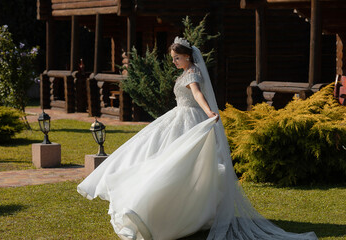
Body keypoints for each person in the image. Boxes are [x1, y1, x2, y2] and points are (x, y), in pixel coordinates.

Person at [77, 37, 318, 240]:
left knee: (181, 163)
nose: (174, 62)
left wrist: (209, 113)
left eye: (177, 58)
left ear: (188, 57)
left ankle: (179, 211)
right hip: (177, 117)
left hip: (189, 119)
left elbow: (197, 94)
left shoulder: (192, 73)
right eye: (172, 58)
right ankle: (169, 208)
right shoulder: (187, 71)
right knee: (166, 159)